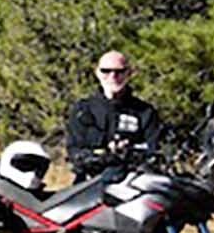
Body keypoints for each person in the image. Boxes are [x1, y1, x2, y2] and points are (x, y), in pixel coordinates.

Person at [65, 50, 163, 181]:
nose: (113, 76)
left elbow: (154, 153)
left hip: (130, 186)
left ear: (129, 73)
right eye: (106, 71)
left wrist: (129, 154)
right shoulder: (82, 110)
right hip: (89, 186)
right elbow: (74, 151)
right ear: (97, 73)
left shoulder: (145, 112)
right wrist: (103, 157)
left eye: (119, 71)